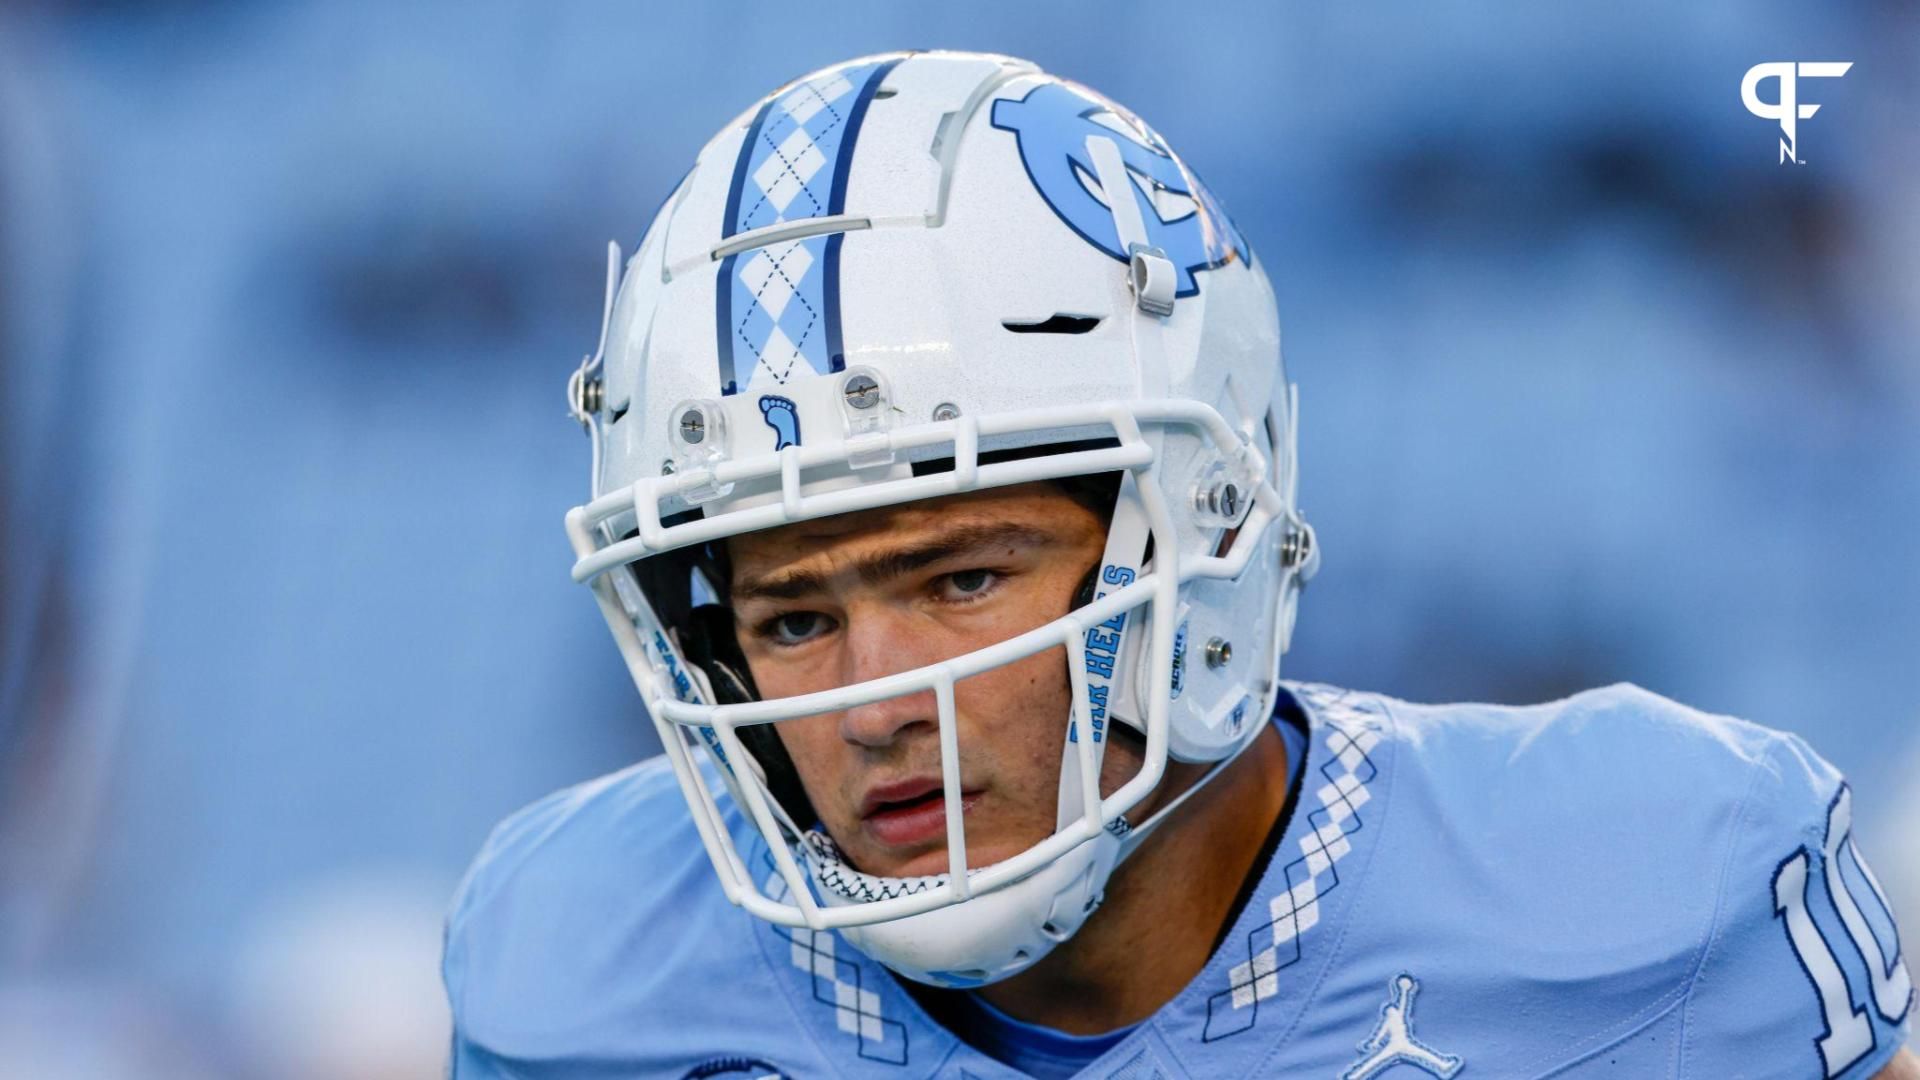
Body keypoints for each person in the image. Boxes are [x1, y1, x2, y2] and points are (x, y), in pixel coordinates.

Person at [442, 51, 1916, 1079]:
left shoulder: (1644, 884)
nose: (876, 701)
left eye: (961, 579)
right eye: (794, 614)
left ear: (1205, 535)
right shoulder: (580, 970)